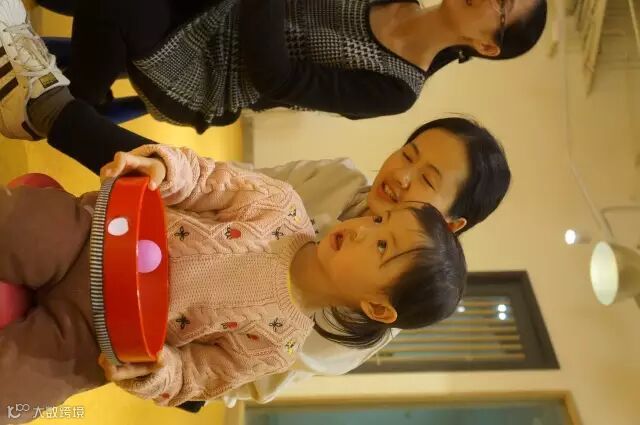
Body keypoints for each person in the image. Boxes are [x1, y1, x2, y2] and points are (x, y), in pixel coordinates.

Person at [0, 0, 506, 411]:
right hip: (104, 232)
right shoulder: (292, 203)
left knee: (19, 389)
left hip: (109, 332)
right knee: (31, 224)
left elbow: (210, 378)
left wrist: (160, 373)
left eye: (427, 181)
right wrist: (166, 171)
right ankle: (44, 99)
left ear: (450, 221)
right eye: (408, 155)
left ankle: (46, 103)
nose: (399, 179)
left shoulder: (295, 341)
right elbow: (218, 182)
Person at [0, 139, 467, 423]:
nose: (363, 229)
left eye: (382, 247)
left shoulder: (276, 347)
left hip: (94, 338)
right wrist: (165, 169)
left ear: (377, 308)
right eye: (379, 220)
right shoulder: (279, 207)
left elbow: (199, 376)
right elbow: (206, 180)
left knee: (13, 398)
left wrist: (157, 373)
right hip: (93, 234)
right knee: (19, 226)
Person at [22, 0, 547, 136]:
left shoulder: (396, 89)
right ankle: (65, 84)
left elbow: (275, 79)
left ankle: (71, 106)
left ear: (488, 45)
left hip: (209, 75)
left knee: (117, 8)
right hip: (217, 10)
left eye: (501, 7)